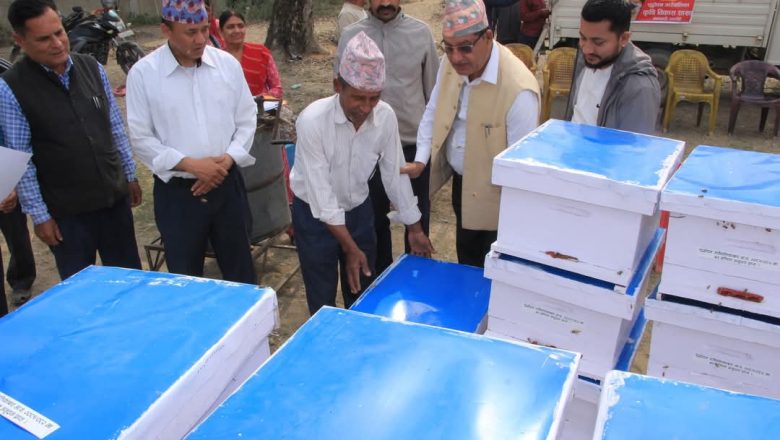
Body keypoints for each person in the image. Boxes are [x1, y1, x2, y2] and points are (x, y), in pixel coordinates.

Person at [291, 31, 434, 315]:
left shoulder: (385, 116)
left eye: (374, 98)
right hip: (314, 216)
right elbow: (322, 198)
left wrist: (414, 227)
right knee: (322, 297)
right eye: (358, 98)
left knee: (363, 293)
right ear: (337, 86)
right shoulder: (312, 122)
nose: (366, 108)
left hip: (358, 210)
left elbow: (393, 174)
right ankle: (328, 349)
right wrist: (349, 247)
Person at [0, 0, 142, 281]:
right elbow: (21, 158)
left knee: (130, 281)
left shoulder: (91, 67)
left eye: (59, 32)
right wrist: (40, 216)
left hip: (113, 200)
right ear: (20, 40)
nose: (57, 44)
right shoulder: (12, 87)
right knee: (80, 292)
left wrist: (129, 174)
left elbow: (113, 125)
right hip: (67, 214)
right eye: (44, 38)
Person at [126, 0, 258, 284]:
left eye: (203, 30)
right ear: (166, 30)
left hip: (227, 186)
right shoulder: (144, 74)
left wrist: (227, 160)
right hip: (179, 195)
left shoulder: (226, 65)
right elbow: (140, 137)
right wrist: (190, 165)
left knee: (240, 271)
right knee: (186, 277)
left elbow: (247, 119)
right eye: (190, 32)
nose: (200, 39)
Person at [415, 0, 540, 268]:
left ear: (488, 37)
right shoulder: (450, 64)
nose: (456, 57)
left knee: (493, 270)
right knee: (467, 259)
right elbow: (433, 111)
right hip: (464, 185)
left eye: (465, 48)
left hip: (500, 201)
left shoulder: (519, 90)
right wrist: (420, 161)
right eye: (448, 48)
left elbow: (521, 169)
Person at [335, 0, 438, 275]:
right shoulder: (351, 36)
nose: (386, 3)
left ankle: (415, 284)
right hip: (366, 148)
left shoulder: (421, 33)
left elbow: (433, 97)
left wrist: (428, 151)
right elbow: (342, 91)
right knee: (370, 223)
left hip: (410, 147)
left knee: (416, 219)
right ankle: (377, 288)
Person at [564, 0, 660, 135]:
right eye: (583, 38)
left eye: (598, 42)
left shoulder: (640, 86)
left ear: (624, 38)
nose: (586, 49)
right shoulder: (587, 58)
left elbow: (633, 149)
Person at [219, 10, 283, 99]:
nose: (237, 30)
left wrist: (260, 98)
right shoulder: (216, 59)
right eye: (230, 27)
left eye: (240, 26)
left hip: (260, 109)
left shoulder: (261, 52)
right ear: (221, 32)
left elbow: (277, 88)